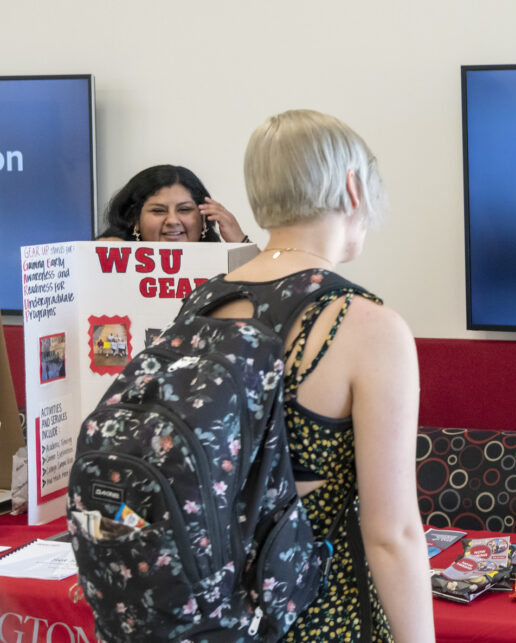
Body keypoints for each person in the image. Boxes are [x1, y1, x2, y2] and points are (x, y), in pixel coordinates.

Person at [196, 109, 433, 642]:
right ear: (353, 188)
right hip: (319, 615)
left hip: (214, 616)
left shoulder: (203, 305)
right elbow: (392, 534)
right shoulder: (365, 325)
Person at [96, 164, 249, 243]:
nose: (173, 220)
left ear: (203, 218)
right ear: (135, 218)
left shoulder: (224, 266)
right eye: (158, 211)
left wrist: (241, 242)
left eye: (184, 209)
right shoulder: (109, 257)